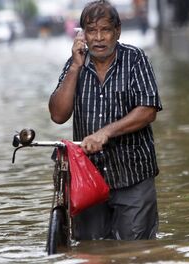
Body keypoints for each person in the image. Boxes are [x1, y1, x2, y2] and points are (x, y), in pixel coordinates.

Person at [48, 0, 162, 240]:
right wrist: (75, 67)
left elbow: (147, 110)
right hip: (88, 179)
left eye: (105, 30)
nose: (98, 38)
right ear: (82, 34)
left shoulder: (136, 59)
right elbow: (58, 115)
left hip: (133, 175)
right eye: (91, 30)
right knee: (92, 249)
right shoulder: (74, 65)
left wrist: (106, 132)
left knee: (136, 251)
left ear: (117, 31)